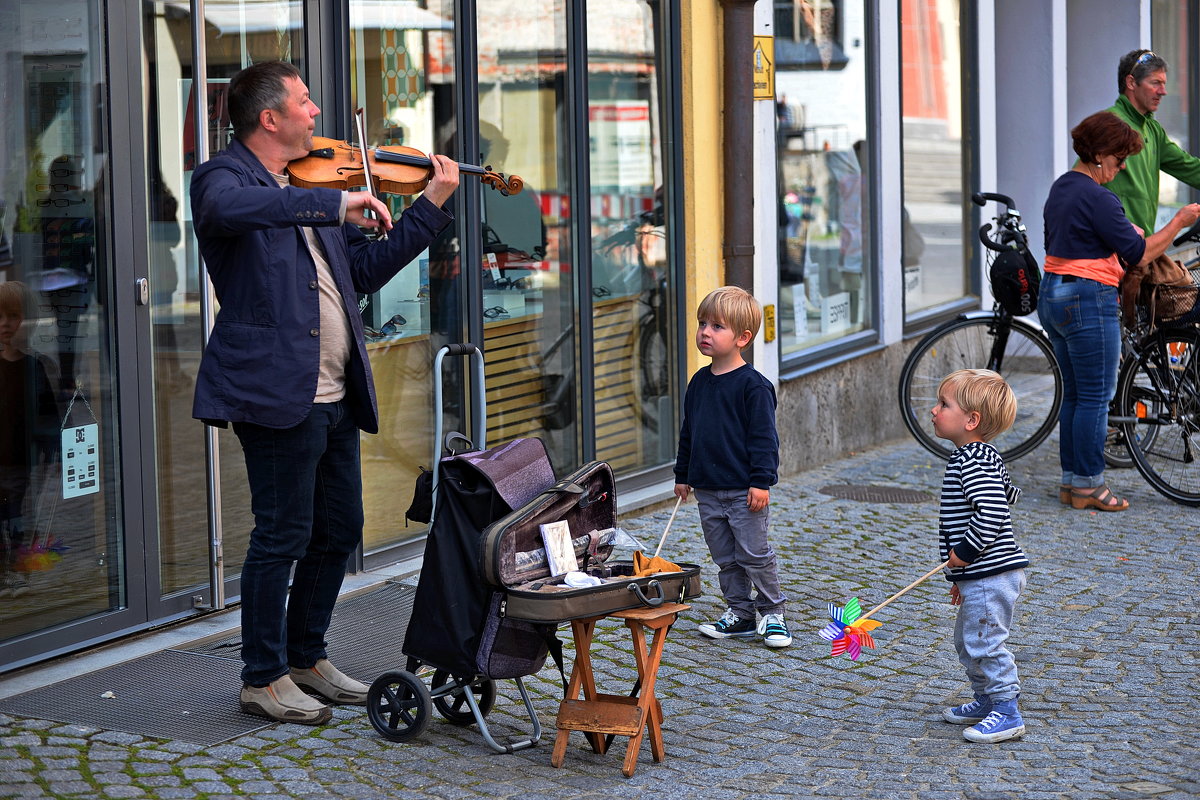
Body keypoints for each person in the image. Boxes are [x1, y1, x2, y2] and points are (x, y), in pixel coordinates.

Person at [189, 61, 459, 725]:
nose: (317, 114)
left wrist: (427, 210)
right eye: (305, 103)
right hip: (277, 392)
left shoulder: (312, 182)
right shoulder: (226, 179)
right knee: (281, 535)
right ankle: (261, 676)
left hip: (335, 391)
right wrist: (334, 202)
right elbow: (232, 210)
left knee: (338, 531)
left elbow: (361, 273)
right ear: (269, 118)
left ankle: (307, 657)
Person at [1040, 111, 1200, 512]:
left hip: (1053, 294)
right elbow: (1140, 253)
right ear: (1098, 154)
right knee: (1097, 396)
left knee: (1075, 394)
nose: (1122, 167)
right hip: (1087, 297)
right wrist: (1179, 220)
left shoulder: (1062, 187)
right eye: (1118, 159)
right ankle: (1091, 486)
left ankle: (1071, 483)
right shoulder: (1097, 196)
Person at [673, 286, 789, 648]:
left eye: (717, 326)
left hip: (744, 490)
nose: (705, 332)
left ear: (743, 337)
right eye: (702, 323)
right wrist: (683, 475)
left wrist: (761, 482)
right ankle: (739, 612)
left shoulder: (754, 387)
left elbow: (764, 440)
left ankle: (773, 613)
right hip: (708, 489)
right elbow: (689, 431)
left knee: (753, 554)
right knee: (725, 557)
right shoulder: (698, 383)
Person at [930, 369, 1028, 744]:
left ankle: (1007, 711)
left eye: (944, 404)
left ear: (971, 420)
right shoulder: (974, 455)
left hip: (992, 573)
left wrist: (964, 556)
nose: (934, 410)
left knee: (985, 643)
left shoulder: (973, 460)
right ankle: (986, 699)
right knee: (967, 641)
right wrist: (960, 579)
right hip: (980, 575)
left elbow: (992, 513)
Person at [0, 281, 59, 597]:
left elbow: (50, 418)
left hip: (23, 462)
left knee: (18, 517)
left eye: (13, 316)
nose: (5, 324)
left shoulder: (36, 366)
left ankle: (18, 572)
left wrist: (54, 455)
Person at [1104, 49, 1200, 236]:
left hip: (1140, 249)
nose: (1163, 91)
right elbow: (1083, 181)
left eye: (1163, 84)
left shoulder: (1152, 129)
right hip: (1114, 252)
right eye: (1155, 83)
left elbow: (1189, 168)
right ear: (1131, 82)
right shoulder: (1108, 125)